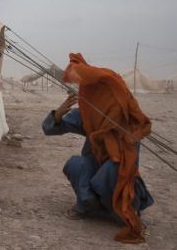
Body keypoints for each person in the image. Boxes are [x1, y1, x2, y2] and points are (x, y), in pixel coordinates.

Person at [42, 53, 153, 244]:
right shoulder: (89, 114)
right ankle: (87, 204)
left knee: (113, 169)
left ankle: (118, 209)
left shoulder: (130, 122)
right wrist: (58, 115)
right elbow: (49, 129)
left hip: (119, 180)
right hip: (96, 171)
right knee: (76, 164)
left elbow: (128, 163)